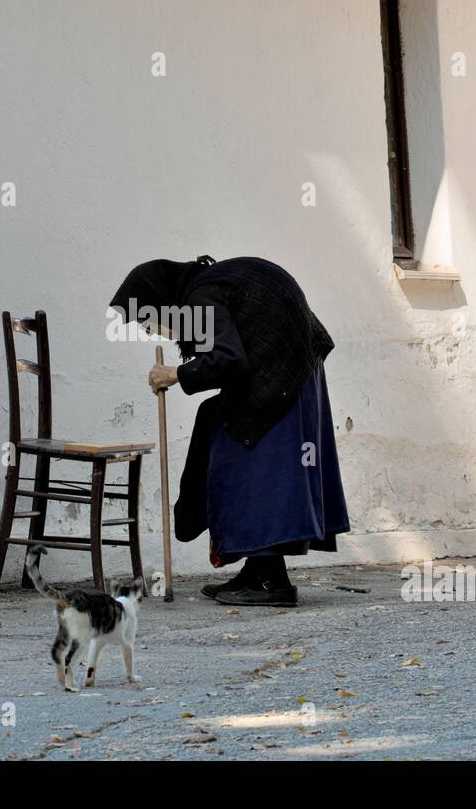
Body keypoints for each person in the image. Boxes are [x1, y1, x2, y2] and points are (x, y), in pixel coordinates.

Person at [109, 255, 349, 607]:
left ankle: (272, 582)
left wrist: (175, 374)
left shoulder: (199, 296)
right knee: (226, 434)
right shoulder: (208, 285)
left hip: (284, 374)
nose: (151, 331)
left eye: (147, 320)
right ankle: (258, 570)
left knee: (247, 464)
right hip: (292, 368)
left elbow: (228, 359)